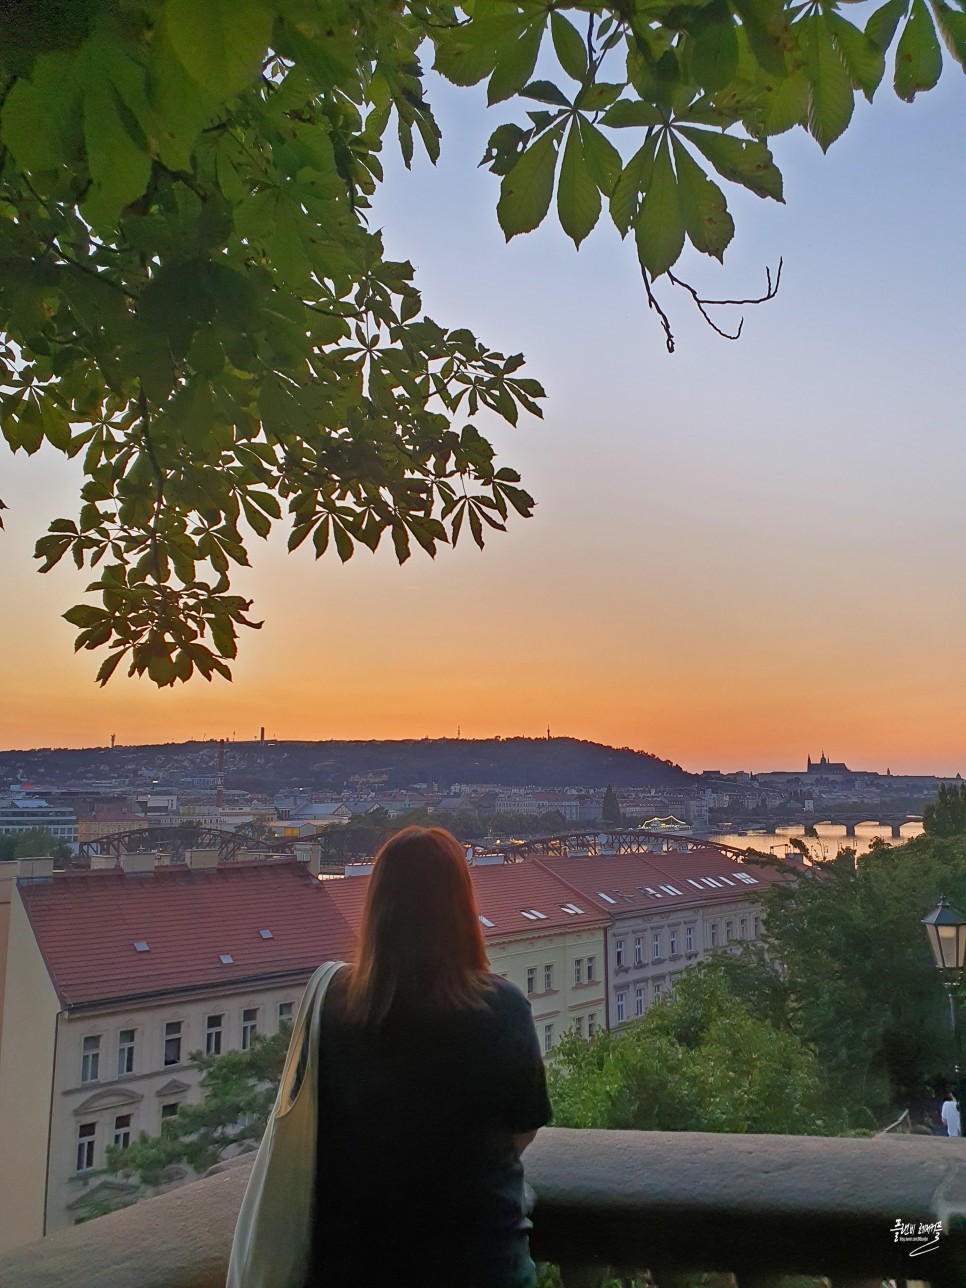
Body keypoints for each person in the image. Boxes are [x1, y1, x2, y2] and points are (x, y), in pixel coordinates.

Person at [308, 827, 552, 1288]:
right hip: (479, 1263)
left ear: (377, 907)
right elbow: (524, 1127)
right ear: (460, 905)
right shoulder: (499, 1007)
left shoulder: (334, 1004)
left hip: (357, 1265)